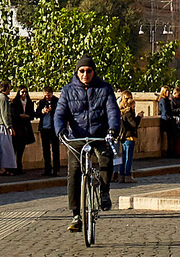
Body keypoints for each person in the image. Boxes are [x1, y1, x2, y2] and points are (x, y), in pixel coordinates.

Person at [55, 54, 121, 233]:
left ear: (94, 72)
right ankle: (76, 214)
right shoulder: (68, 90)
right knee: (74, 173)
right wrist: (60, 131)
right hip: (77, 137)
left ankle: (104, 192)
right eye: (82, 71)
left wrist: (113, 130)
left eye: (89, 71)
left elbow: (113, 111)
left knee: (105, 159)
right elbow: (60, 113)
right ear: (77, 72)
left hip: (99, 135)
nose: (85, 74)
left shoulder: (104, 88)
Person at [38, 87, 63, 176]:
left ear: (52, 94)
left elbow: (61, 113)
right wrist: (42, 111)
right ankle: (47, 169)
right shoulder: (42, 102)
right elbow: (36, 113)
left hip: (53, 129)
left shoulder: (57, 101)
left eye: (49, 95)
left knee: (55, 150)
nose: (47, 97)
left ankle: (56, 169)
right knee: (46, 151)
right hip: (44, 129)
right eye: (46, 95)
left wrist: (52, 110)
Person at [116, 90, 139, 179]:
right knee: (128, 158)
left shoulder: (120, 110)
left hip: (123, 136)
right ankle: (127, 175)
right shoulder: (128, 112)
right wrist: (139, 117)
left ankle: (121, 175)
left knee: (124, 157)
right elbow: (134, 124)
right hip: (128, 136)